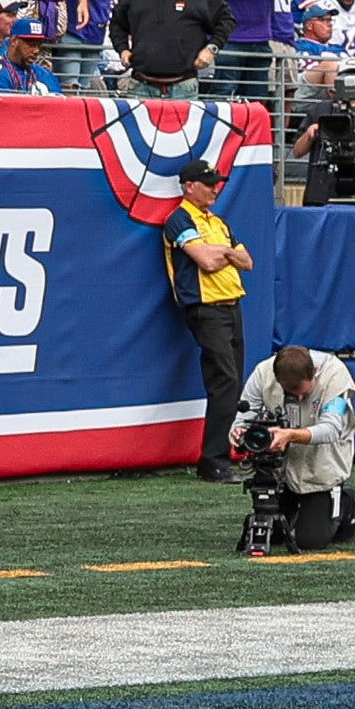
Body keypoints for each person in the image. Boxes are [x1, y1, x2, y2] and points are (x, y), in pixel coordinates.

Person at [161, 156, 252, 481]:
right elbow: (206, 261)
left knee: (232, 382)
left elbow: (247, 261)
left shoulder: (218, 222)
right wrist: (226, 253)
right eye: (209, 184)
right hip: (206, 307)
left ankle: (219, 457)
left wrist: (222, 252)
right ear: (189, 187)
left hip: (231, 305)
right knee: (224, 381)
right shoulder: (179, 219)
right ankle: (213, 461)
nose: (215, 189)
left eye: (216, 183)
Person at [232, 344, 355, 554]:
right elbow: (243, 417)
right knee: (273, 534)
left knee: (311, 541)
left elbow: (332, 430)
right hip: (279, 469)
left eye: (303, 391)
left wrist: (290, 435)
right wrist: (239, 433)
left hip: (320, 465)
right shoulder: (263, 373)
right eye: (290, 392)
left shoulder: (335, 375)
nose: (299, 398)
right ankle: (291, 507)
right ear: (278, 380)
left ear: (314, 373)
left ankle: (346, 500)